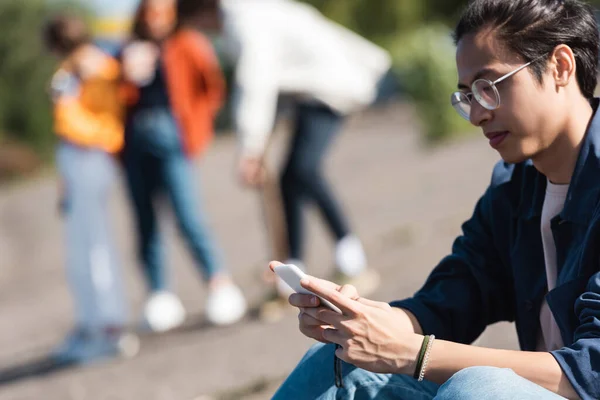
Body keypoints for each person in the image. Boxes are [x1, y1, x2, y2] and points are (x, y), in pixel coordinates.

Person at [271, 0, 600, 398]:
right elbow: (447, 302)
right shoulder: (515, 188)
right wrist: (362, 322)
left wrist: (415, 353)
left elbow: (589, 373)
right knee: (337, 360)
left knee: (476, 389)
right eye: (467, 96)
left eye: (489, 87)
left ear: (560, 66)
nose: (477, 114)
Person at [195, 0, 396, 306]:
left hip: (330, 87)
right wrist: (259, 141)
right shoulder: (259, 10)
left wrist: (250, 148)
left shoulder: (246, 22)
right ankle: (293, 273)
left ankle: (353, 261)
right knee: (291, 177)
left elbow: (256, 80)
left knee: (304, 169)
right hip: (312, 90)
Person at [119, 0, 246, 332]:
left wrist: (199, 129)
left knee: (188, 216)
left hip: (173, 137)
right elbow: (118, 96)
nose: (155, 19)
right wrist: (125, 75)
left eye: (162, 13)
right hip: (135, 141)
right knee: (145, 221)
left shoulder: (188, 43)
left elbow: (212, 87)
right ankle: (159, 294)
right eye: (150, 13)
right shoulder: (131, 48)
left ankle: (219, 284)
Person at [43, 14, 136, 363]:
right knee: (82, 246)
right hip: (82, 161)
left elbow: (73, 122)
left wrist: (65, 95)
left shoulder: (88, 68)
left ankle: (108, 327)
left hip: (88, 156)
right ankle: (90, 323)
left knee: (93, 244)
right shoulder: (89, 66)